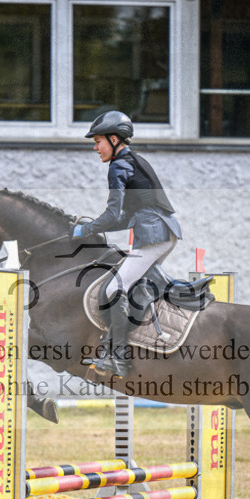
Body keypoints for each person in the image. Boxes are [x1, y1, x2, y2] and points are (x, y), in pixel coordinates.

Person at [72, 110, 182, 378]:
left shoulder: (119, 166)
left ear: (113, 138)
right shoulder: (133, 160)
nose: (96, 148)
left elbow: (112, 215)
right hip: (161, 232)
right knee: (132, 287)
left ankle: (118, 358)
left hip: (153, 235)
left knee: (113, 290)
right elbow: (126, 218)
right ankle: (113, 349)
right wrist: (90, 228)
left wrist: (84, 230)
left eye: (98, 141)